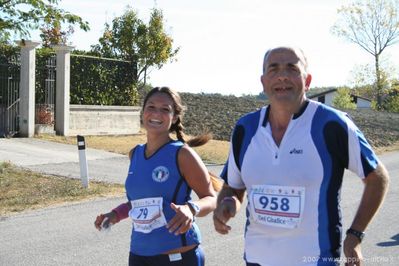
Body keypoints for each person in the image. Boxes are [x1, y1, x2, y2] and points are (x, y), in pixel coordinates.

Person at [213, 46, 390, 266]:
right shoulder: (245, 129)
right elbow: (233, 188)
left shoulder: (332, 125)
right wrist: (227, 203)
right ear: (263, 82)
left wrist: (355, 236)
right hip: (256, 259)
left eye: (292, 68)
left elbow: (378, 178)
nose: (282, 76)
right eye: (273, 69)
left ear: (307, 80)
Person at [95, 87, 221, 266]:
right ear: (143, 112)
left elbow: (211, 198)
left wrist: (191, 209)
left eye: (165, 109)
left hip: (177, 256)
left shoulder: (183, 154)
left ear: (174, 117)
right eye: (151, 107)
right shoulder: (135, 154)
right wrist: (115, 215)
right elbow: (140, 202)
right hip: (139, 255)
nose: (156, 113)